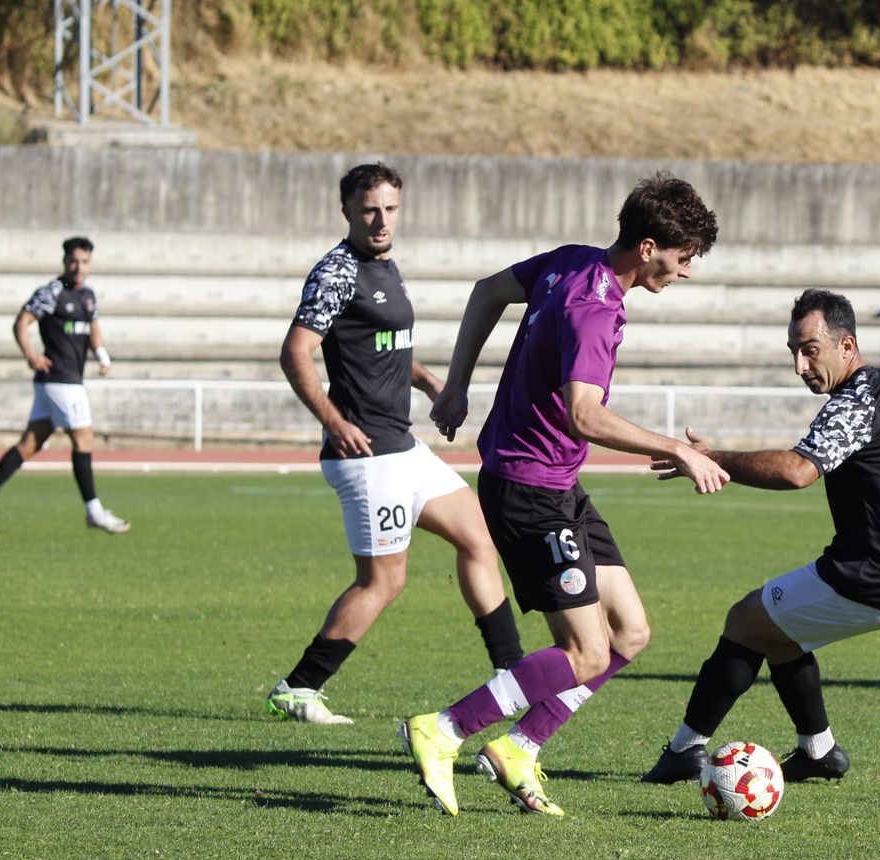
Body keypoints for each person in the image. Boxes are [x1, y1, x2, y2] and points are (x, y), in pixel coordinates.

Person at [399, 172, 726, 817]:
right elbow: (585, 414)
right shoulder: (597, 311)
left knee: (630, 632)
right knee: (587, 651)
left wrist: (457, 385)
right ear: (649, 246)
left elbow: (487, 291)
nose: (686, 272)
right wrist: (676, 448)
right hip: (530, 490)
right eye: (683, 258)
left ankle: (520, 747)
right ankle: (445, 729)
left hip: (557, 483)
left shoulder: (575, 261)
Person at [639, 288, 880, 784]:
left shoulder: (854, 403)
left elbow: (798, 471)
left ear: (846, 346)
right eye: (794, 352)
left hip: (873, 576)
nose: (801, 365)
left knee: (745, 620)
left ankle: (684, 750)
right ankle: (818, 752)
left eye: (810, 350)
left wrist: (711, 458)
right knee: (780, 630)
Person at [265, 162, 525, 726]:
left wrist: (436, 386)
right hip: (366, 458)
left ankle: (512, 671)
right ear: (348, 212)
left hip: (402, 447)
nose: (381, 220)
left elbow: (388, 347)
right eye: (369, 210)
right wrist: (334, 422)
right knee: (385, 580)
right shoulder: (336, 272)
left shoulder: (387, 267)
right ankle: (299, 687)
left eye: (390, 209)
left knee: (479, 537)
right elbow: (295, 351)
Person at [0, 236, 130, 535]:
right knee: (84, 440)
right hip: (61, 380)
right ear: (64, 261)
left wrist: (102, 355)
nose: (78, 267)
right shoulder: (53, 292)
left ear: (89, 263)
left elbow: (93, 327)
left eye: (84, 262)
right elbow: (21, 321)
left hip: (60, 383)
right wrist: (31, 355)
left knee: (31, 443)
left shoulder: (88, 296)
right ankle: (93, 510)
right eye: (73, 261)